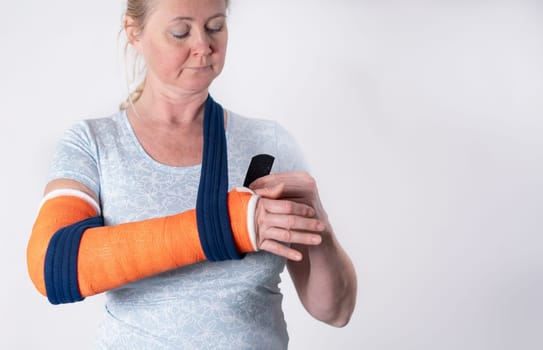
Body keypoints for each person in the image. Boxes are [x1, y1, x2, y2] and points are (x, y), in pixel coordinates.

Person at [26, 0, 357, 348]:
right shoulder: (94, 143)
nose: (203, 45)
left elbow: (335, 312)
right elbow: (54, 266)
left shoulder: (269, 143)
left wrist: (319, 222)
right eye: (180, 32)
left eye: (215, 26)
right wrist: (229, 224)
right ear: (134, 33)